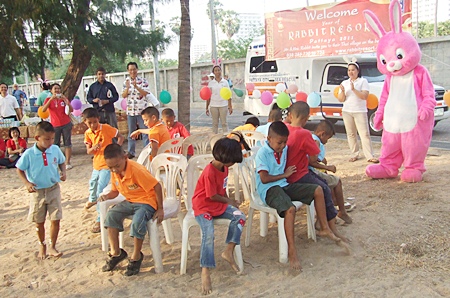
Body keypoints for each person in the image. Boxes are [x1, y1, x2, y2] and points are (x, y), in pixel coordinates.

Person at [256, 121, 342, 270]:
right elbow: (264, 178)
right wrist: (285, 174)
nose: (283, 146)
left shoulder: (284, 148)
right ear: (269, 139)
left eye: (284, 142)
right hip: (269, 189)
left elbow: (305, 156)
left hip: (284, 184)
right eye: (279, 143)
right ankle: (292, 250)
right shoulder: (263, 153)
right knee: (290, 209)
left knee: (318, 189)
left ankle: (324, 227)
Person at [285, 101, 350, 243]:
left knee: (323, 186)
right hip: (299, 174)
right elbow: (313, 158)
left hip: (289, 174)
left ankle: (326, 225)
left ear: (290, 115)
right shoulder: (304, 134)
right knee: (324, 188)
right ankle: (329, 228)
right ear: (307, 118)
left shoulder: (286, 129)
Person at [98, 144, 164, 276]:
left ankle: (136, 256)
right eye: (110, 168)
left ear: (125, 157)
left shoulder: (136, 170)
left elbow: (157, 186)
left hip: (146, 201)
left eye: (117, 166)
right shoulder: (115, 172)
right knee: (111, 215)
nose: (114, 170)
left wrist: (160, 208)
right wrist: (106, 196)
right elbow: (114, 192)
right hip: (130, 200)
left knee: (137, 222)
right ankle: (116, 253)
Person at [192, 138, 246, 295]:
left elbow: (222, 190)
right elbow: (212, 195)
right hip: (203, 206)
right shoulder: (209, 171)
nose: (233, 164)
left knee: (240, 216)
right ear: (225, 158)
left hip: (218, 204)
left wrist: (230, 202)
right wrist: (229, 201)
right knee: (208, 233)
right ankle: (205, 270)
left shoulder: (224, 169)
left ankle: (228, 250)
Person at [16, 121, 66, 260]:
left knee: (56, 218)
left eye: (52, 138)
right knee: (39, 221)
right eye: (47, 139)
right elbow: (19, 168)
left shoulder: (55, 149)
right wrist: (26, 183)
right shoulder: (29, 154)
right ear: (37, 138)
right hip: (37, 192)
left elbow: (61, 161)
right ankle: (41, 244)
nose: (50, 142)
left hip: (53, 188)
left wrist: (63, 172)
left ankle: (52, 245)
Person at [82, 108, 125, 233]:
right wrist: (93, 148)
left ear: (98, 119)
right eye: (89, 123)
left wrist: (116, 150)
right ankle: (92, 199)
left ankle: (100, 218)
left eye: (94, 122)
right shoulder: (88, 133)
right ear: (85, 122)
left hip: (107, 165)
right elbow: (88, 151)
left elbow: (120, 137)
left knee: (101, 188)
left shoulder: (106, 128)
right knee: (93, 183)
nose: (93, 125)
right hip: (96, 164)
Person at [308, 120, 353, 224]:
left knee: (331, 184)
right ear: (322, 133)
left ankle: (333, 211)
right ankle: (341, 211)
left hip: (313, 170)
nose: (327, 141)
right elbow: (312, 161)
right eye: (327, 138)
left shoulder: (311, 138)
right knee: (336, 181)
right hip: (312, 171)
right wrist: (328, 167)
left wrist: (322, 160)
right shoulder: (316, 142)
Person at [338, 62, 379, 163]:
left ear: (357, 71)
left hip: (359, 111)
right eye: (349, 70)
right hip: (347, 111)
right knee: (351, 133)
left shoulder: (363, 81)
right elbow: (341, 99)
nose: (351, 72)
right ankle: (354, 154)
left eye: (353, 70)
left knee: (364, 134)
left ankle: (369, 156)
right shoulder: (344, 83)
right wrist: (343, 91)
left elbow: (364, 96)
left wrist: (354, 89)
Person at [122, 62, 159, 159]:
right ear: (128, 71)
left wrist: (136, 87)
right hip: (131, 111)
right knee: (132, 132)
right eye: (130, 70)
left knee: (145, 132)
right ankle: (131, 152)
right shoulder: (126, 82)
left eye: (134, 69)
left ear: (137, 70)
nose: (132, 71)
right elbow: (123, 95)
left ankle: (147, 151)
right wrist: (128, 87)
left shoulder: (143, 81)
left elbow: (146, 93)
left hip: (142, 111)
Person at [42, 83, 74, 170]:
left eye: (58, 89)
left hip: (66, 123)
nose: (57, 91)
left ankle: (68, 162)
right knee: (55, 144)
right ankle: (56, 162)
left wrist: (65, 101)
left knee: (67, 143)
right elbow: (43, 110)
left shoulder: (63, 99)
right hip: (55, 125)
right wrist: (51, 99)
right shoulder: (48, 99)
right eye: (55, 89)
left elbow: (71, 110)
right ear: (51, 90)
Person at [206, 65, 233, 133]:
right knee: (215, 124)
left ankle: (226, 137)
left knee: (224, 123)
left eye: (219, 70)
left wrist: (230, 106)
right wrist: (207, 107)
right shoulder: (211, 83)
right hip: (213, 106)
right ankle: (214, 139)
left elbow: (229, 95)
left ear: (221, 71)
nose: (217, 72)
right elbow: (208, 96)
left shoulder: (225, 82)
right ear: (213, 72)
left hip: (223, 105)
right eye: (216, 70)